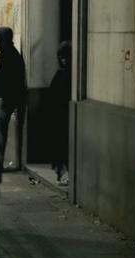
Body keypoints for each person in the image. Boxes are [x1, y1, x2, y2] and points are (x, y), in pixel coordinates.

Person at [0, 27, 26, 170]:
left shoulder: (9, 55)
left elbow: (10, 79)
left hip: (5, 99)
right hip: (4, 98)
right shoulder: (7, 54)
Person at [49, 41, 72, 184]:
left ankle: (64, 172)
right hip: (58, 115)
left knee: (63, 145)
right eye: (61, 57)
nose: (63, 60)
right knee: (59, 145)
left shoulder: (69, 75)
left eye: (65, 57)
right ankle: (60, 171)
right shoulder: (60, 73)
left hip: (64, 115)